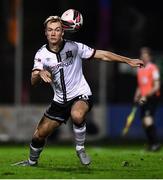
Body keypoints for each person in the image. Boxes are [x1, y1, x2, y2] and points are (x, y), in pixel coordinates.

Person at [14, 16, 144, 166]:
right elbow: (32, 81)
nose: (53, 33)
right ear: (45, 33)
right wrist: (39, 73)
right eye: (50, 30)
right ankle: (31, 162)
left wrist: (128, 60)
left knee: (77, 114)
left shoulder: (75, 47)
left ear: (63, 32)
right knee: (39, 135)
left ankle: (80, 148)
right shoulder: (41, 54)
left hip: (80, 94)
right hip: (60, 101)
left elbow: (102, 55)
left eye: (57, 30)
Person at [134, 47, 161, 151]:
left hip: (152, 97)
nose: (143, 57)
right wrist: (137, 94)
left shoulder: (153, 68)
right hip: (143, 98)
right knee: (144, 122)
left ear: (150, 57)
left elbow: (156, 86)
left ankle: (155, 144)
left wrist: (146, 95)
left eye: (145, 55)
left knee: (148, 119)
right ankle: (151, 144)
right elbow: (140, 85)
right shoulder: (140, 68)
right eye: (142, 55)